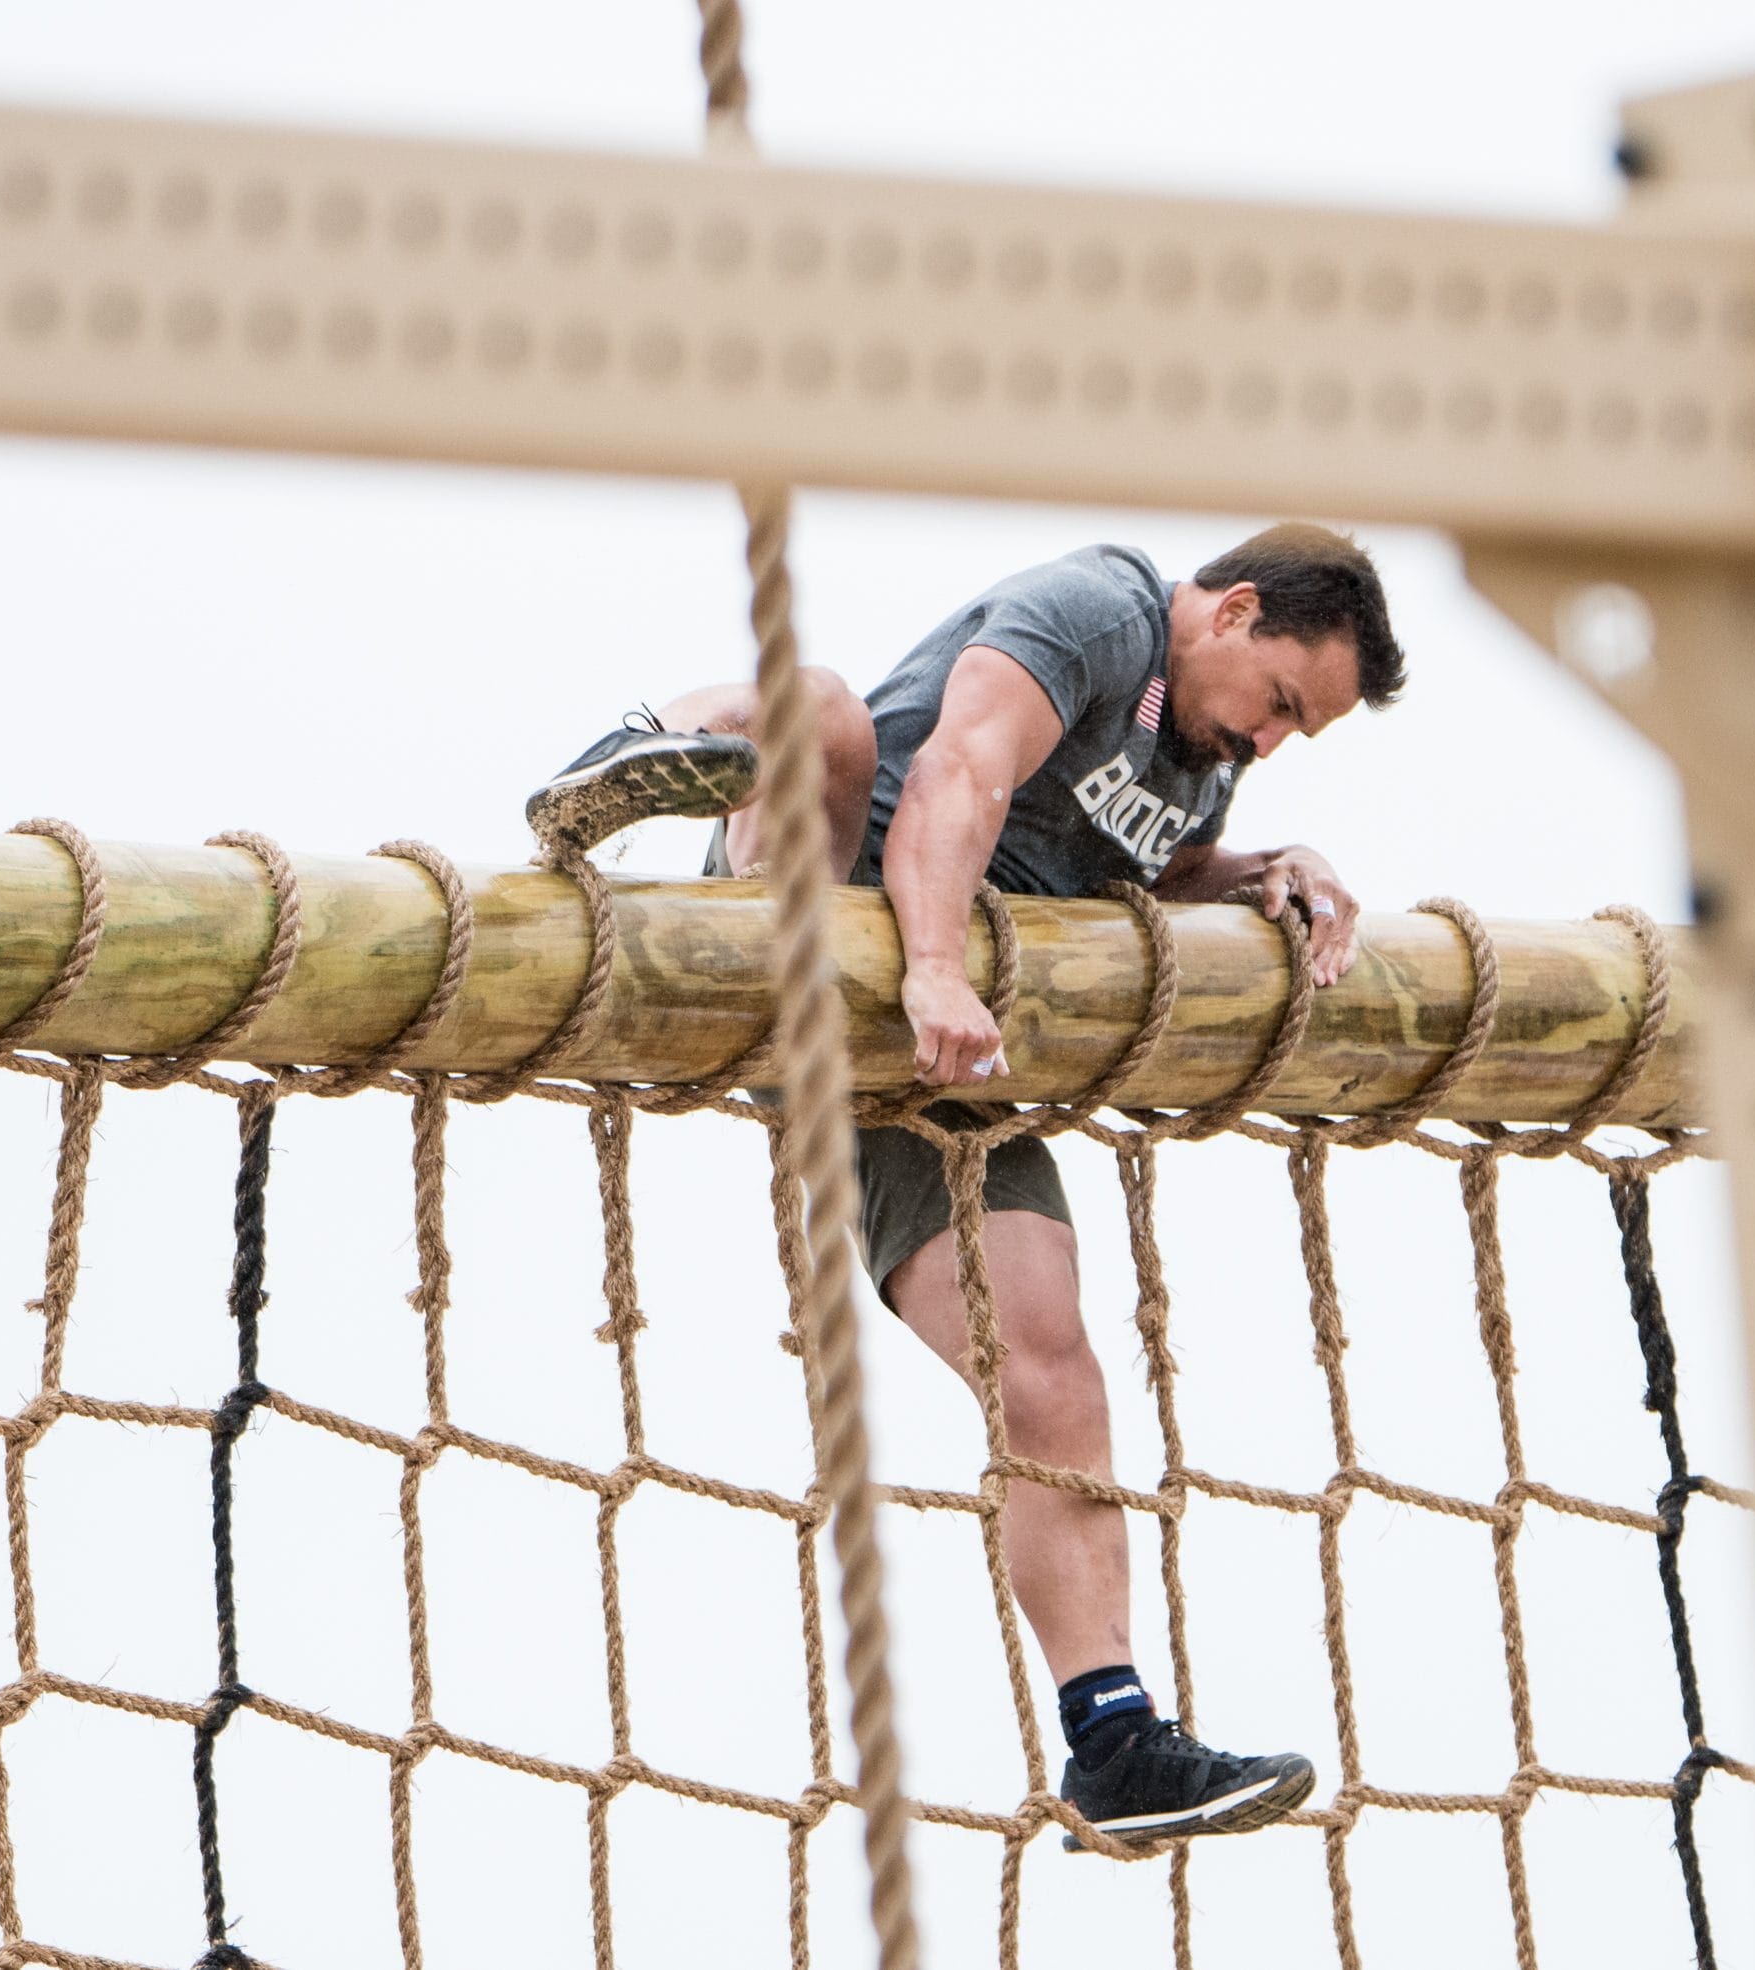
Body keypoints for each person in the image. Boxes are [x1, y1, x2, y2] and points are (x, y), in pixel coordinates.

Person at [528, 523, 1406, 1843]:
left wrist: (1270, 862)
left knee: (1050, 1364)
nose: (1271, 739)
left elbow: (1146, 870)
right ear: (1229, 615)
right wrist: (930, 963)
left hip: (940, 1066)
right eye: (1282, 703)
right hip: (829, 901)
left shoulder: (1197, 756)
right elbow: (958, 772)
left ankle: (1113, 1739)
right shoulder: (1099, 613)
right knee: (825, 716)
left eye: (1302, 734)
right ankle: (645, 744)